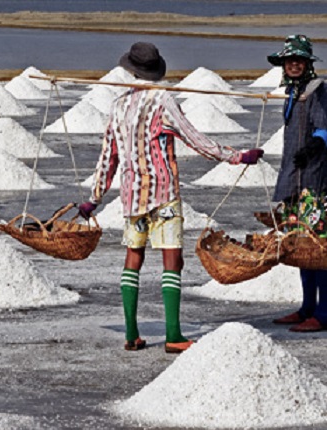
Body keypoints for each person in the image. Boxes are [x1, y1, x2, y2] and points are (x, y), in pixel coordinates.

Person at [78, 42, 263, 353]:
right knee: (171, 259)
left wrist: (94, 198)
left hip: (132, 196)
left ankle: (131, 334)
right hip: (162, 195)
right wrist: (237, 156)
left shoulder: (118, 105)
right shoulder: (162, 100)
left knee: (133, 258)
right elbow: (195, 139)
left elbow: (108, 156)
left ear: (130, 69)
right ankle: (174, 335)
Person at [268, 35, 327, 333]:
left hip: (314, 182)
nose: (293, 64)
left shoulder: (317, 91)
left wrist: (316, 146)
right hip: (294, 178)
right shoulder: (294, 92)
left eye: (298, 60)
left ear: (307, 64)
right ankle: (306, 308)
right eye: (288, 60)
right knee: (302, 248)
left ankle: (324, 312)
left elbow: (325, 128)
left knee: (318, 249)